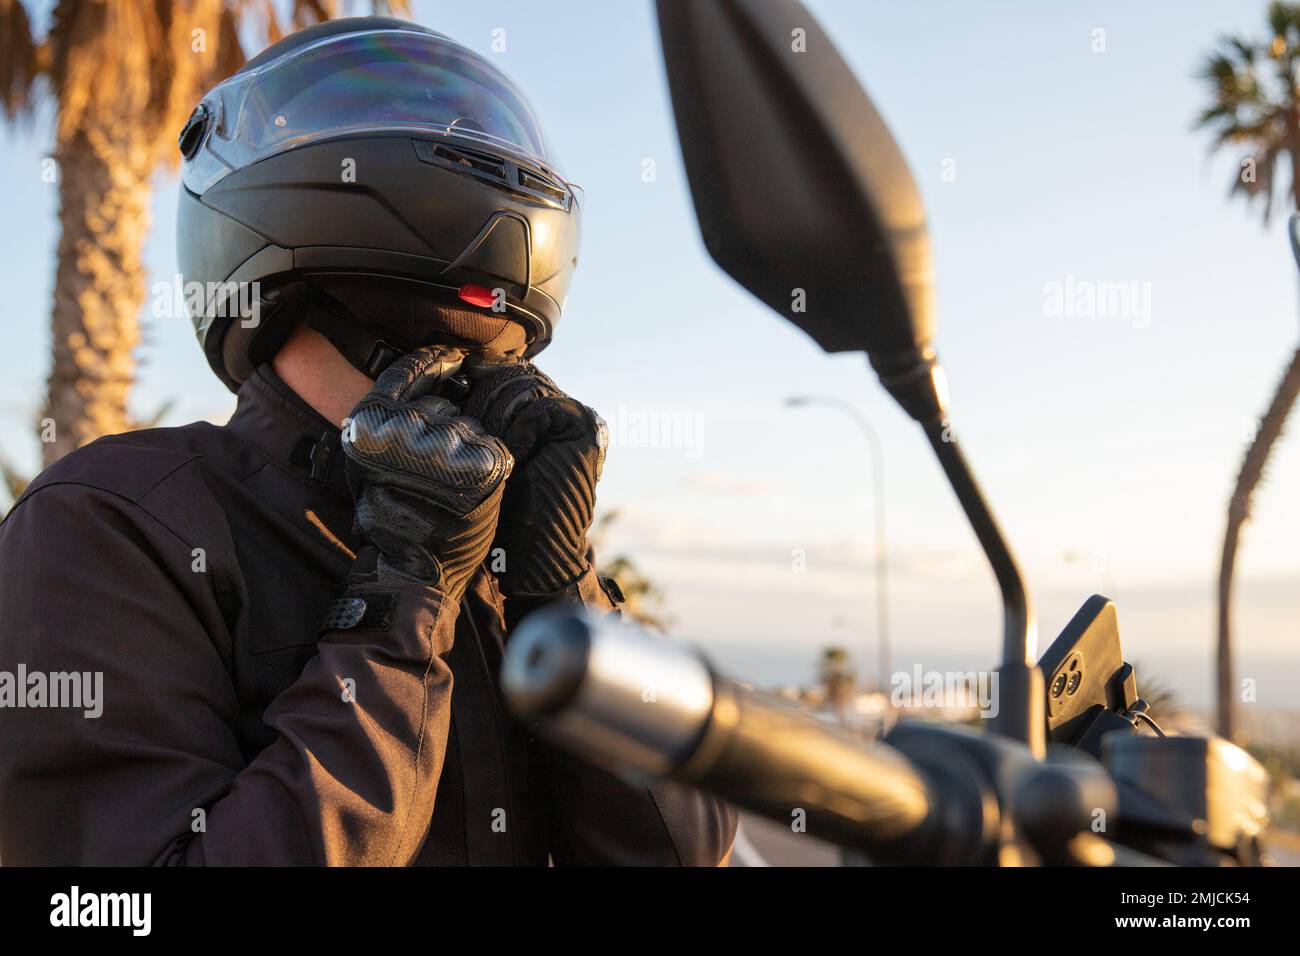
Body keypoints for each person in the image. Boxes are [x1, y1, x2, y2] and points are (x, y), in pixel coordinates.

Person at [0, 17, 736, 866]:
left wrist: (560, 587)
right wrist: (401, 597)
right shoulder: (118, 518)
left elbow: (677, 854)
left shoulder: (502, 533)